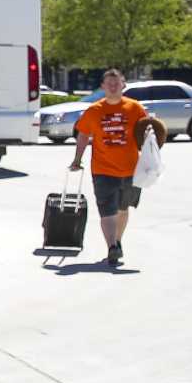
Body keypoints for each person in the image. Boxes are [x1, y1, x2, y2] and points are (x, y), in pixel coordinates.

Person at [69, 68, 166, 264]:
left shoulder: (135, 108)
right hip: (102, 170)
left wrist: (152, 137)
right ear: (103, 87)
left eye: (116, 83)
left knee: (123, 208)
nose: (113, 87)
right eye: (109, 84)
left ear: (123, 85)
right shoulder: (94, 110)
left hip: (131, 169)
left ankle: (118, 241)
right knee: (107, 210)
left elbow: (146, 132)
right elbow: (83, 135)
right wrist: (77, 159)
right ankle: (112, 246)